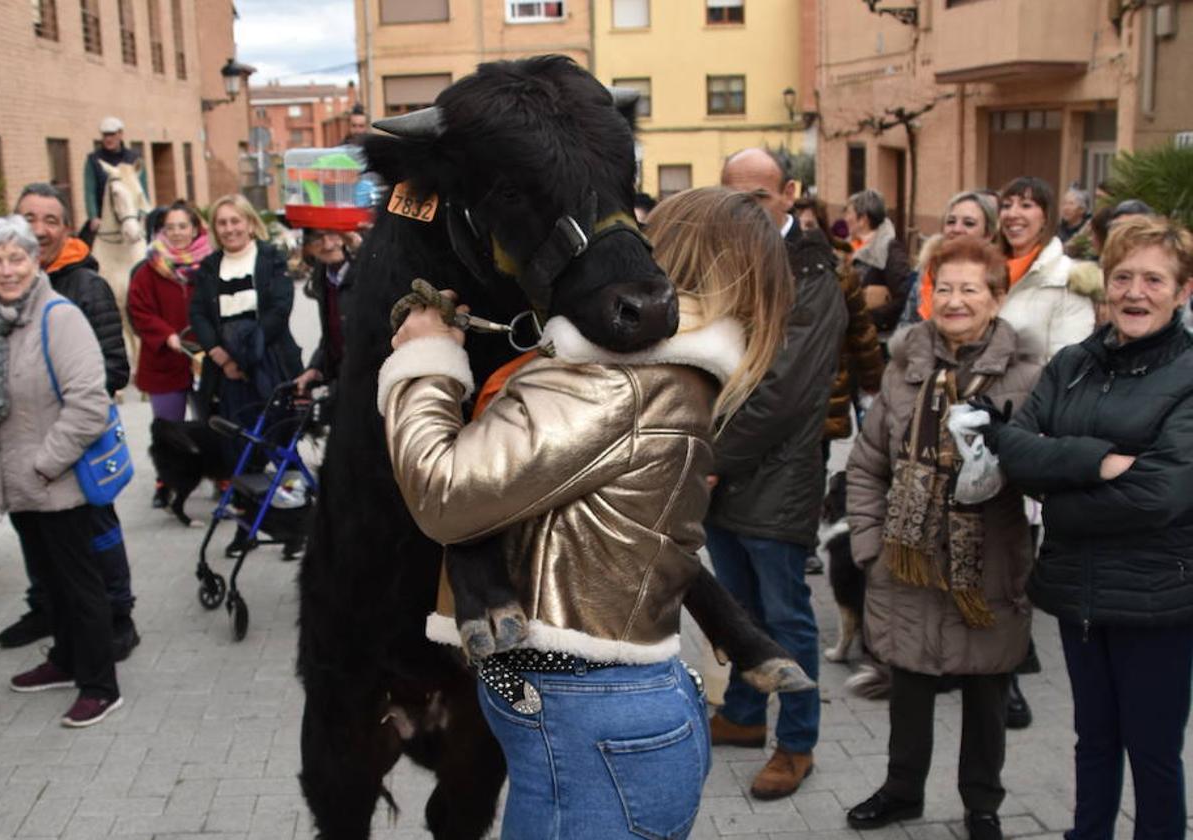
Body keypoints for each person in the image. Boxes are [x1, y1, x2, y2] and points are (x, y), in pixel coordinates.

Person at [378, 187, 793, 836]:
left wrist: (422, 358)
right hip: (606, 727)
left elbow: (444, 495)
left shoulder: (621, 378)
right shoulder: (662, 373)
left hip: (591, 731)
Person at [988, 216, 1193, 840]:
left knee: (1153, 750)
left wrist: (1059, 499)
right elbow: (1014, 448)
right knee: (1093, 740)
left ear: (1183, 291)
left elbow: (1161, 494)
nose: (1136, 292)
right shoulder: (1074, 363)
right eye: (1123, 276)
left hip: (1158, 598)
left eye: (1154, 279)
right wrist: (1095, 461)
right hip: (1079, 591)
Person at [845, 236, 1043, 840]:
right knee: (909, 684)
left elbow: (1046, 468)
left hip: (989, 563)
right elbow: (866, 464)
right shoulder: (904, 367)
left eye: (971, 289)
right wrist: (872, 547)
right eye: (945, 288)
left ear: (997, 296)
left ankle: (981, 804)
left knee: (988, 692)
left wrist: (1006, 448)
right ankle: (902, 791)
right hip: (907, 564)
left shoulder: (1029, 377)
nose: (956, 301)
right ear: (929, 294)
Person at [707, 148, 847, 799]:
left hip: (777, 475)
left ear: (789, 194)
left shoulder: (813, 273)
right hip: (727, 474)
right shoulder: (724, 263)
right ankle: (741, 714)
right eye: (734, 196)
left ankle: (796, 743)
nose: (747, 210)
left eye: (758, 197)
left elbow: (784, 393)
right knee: (737, 611)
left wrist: (709, 459)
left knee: (785, 617)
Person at [0, 216, 123, 727]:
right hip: (18, 485)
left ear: (36, 261)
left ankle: (100, 684)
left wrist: (44, 464)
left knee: (80, 586)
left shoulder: (57, 317)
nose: (6, 269)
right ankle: (66, 661)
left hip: (57, 482)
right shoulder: (0, 322)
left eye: (15, 258)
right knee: (49, 582)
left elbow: (90, 404)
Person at [2, 184, 139, 661]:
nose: (38, 230)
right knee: (37, 541)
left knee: (97, 535)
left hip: (76, 448)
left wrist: (59, 430)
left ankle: (119, 616)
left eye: (51, 220)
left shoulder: (84, 285)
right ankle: (46, 609)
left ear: (67, 227)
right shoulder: (7, 283)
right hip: (21, 449)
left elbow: (114, 370)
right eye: (28, 218)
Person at [188, 194, 303, 425]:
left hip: (271, 360)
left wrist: (244, 356)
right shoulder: (208, 267)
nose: (229, 229)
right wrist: (218, 354)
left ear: (250, 223)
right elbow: (198, 313)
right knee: (234, 443)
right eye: (222, 223)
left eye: (235, 221)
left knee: (277, 437)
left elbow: (279, 309)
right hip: (224, 368)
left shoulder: (272, 259)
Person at [127, 200, 212, 505]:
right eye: (170, 227)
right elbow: (139, 310)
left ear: (194, 229)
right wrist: (166, 335)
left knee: (209, 423)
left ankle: (218, 476)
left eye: (182, 226)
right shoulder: (148, 269)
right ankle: (166, 482)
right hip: (164, 359)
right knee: (168, 429)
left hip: (205, 358)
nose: (176, 233)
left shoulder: (211, 264)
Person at [791, 195, 883, 468]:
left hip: (828, 387)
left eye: (809, 225)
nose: (803, 232)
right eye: (797, 225)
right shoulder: (774, 265)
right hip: (787, 393)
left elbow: (862, 331)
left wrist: (872, 382)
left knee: (817, 463)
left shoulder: (839, 270)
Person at [996, 177, 1096, 362]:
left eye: (1026, 205)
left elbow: (1068, 361)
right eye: (1006, 206)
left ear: (1045, 217)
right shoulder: (985, 272)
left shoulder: (1067, 277)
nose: (1012, 214)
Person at [908, 191, 1001, 324]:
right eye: (951, 222)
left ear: (988, 234)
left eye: (969, 223)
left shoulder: (998, 276)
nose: (956, 229)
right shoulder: (926, 269)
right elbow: (905, 325)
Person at [293, 229, 355, 394]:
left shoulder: (369, 272)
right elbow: (332, 334)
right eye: (317, 238)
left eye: (334, 233)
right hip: (343, 382)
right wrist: (316, 367)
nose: (327, 245)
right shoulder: (322, 276)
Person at [845, 189, 911, 336]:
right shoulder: (847, 248)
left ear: (863, 219)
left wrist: (867, 318)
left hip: (874, 338)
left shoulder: (890, 250)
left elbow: (904, 297)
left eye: (849, 213)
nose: (846, 218)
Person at [82, 116, 147, 237]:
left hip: (132, 216)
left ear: (121, 134)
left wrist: (143, 213)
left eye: (112, 134)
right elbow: (89, 191)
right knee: (83, 245)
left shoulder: (135, 158)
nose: (108, 139)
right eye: (105, 135)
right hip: (104, 218)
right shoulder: (93, 160)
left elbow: (142, 189)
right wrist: (93, 216)